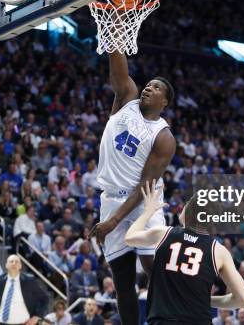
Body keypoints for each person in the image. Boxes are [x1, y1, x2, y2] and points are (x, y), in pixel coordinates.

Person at [89, 48, 176, 325]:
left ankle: (167, 320)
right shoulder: (126, 98)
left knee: (154, 269)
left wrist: (114, 221)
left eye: (157, 88)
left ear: (165, 102)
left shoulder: (163, 137)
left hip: (145, 202)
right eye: (149, 84)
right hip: (112, 199)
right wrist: (114, 33)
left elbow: (145, 185)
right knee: (122, 281)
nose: (149, 88)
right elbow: (118, 68)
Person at [125, 181, 244, 324]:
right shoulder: (219, 251)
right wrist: (206, 301)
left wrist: (147, 212)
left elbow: (130, 238)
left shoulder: (164, 233)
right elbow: (243, 299)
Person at [0, 255, 48, 325]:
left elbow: (44, 298)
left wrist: (36, 317)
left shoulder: (29, 280)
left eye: (17, 262)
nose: (14, 263)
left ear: (20, 266)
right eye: (11, 261)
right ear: (6, 265)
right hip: (0, 323)